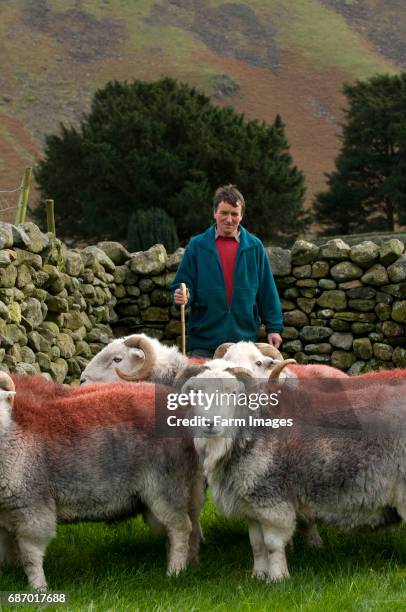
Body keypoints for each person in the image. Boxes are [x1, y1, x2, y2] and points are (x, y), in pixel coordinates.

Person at [172, 184, 283, 358]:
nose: (229, 219)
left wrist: (274, 328)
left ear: (241, 215)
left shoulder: (255, 247)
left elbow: (267, 291)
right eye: (224, 213)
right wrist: (182, 295)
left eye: (234, 214)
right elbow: (183, 285)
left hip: (244, 344)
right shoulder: (197, 245)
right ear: (214, 213)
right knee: (202, 386)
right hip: (204, 341)